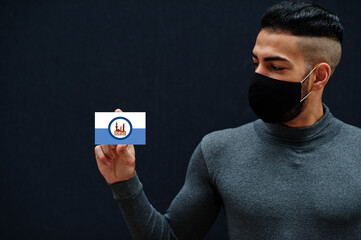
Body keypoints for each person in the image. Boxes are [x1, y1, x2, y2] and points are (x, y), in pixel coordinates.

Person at [94, 1, 361, 239]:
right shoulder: (219, 150)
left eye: (276, 67)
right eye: (256, 62)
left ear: (319, 77)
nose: (259, 75)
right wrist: (124, 181)